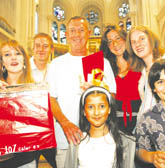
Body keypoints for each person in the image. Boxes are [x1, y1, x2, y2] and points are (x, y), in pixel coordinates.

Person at [47, 16, 116, 168]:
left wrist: (99, 89)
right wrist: (65, 124)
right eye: (72, 30)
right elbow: (50, 99)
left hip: (97, 138)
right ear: (67, 34)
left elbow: (112, 96)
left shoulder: (101, 62)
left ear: (89, 33)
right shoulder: (56, 64)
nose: (77, 35)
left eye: (81, 30)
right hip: (66, 136)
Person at [0, 40, 37, 168]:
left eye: (17, 53)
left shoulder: (36, 90)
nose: (13, 57)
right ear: (2, 62)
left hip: (23, 160)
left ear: (24, 59)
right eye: (7, 54)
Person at [65, 86, 136, 168]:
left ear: (109, 109)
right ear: (84, 111)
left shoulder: (123, 141)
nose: (96, 112)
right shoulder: (76, 141)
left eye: (102, 106)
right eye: (90, 107)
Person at [100, 25, 141, 135]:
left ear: (125, 38)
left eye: (118, 38)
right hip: (115, 123)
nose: (114, 44)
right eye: (110, 41)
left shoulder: (139, 61)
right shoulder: (105, 68)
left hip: (140, 120)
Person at [31, 32, 57, 168]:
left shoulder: (56, 70)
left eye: (45, 46)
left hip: (51, 130)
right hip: (29, 130)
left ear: (52, 50)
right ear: (32, 48)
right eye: (37, 46)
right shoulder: (23, 69)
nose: (41, 50)